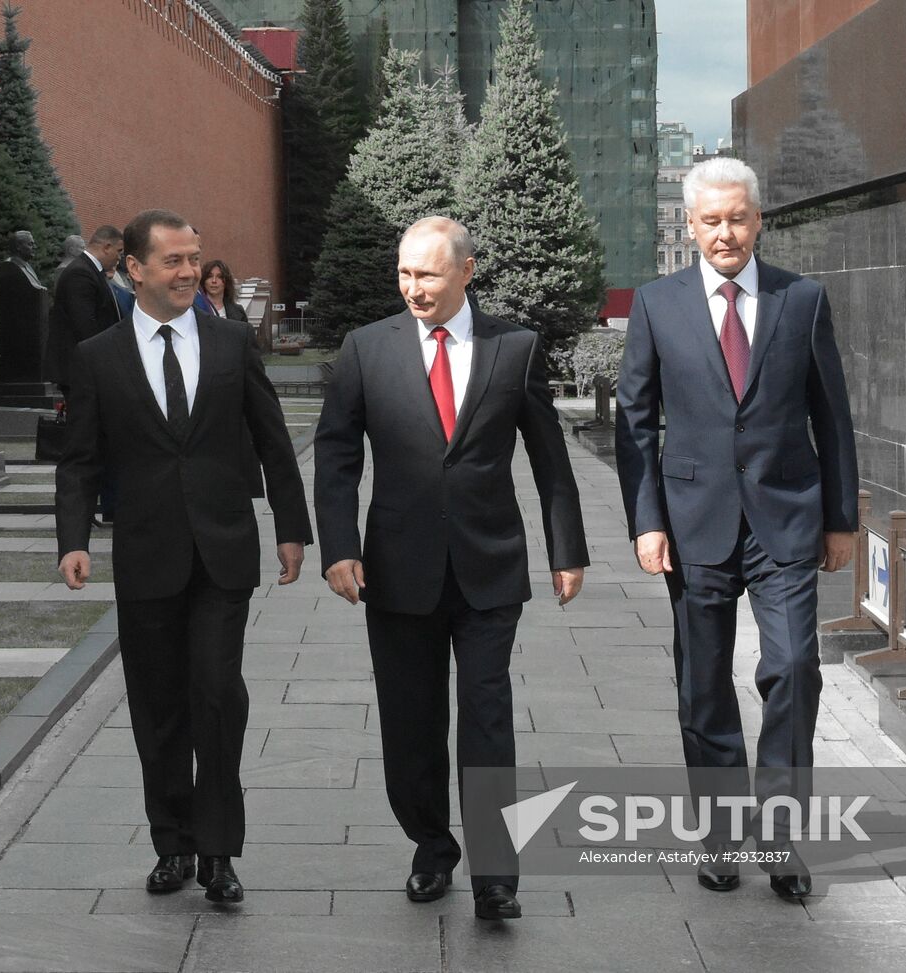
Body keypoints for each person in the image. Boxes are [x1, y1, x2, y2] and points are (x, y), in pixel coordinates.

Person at [314, 216, 589, 921]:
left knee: (488, 715)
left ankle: (497, 874)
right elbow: (337, 454)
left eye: (428, 274)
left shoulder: (514, 348)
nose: (414, 288)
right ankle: (431, 848)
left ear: (467, 271)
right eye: (404, 274)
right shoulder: (366, 350)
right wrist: (338, 544)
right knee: (412, 721)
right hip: (397, 568)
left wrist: (568, 549)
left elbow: (549, 456)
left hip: (489, 565)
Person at [614, 157, 859, 901]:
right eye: (711, 220)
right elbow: (634, 418)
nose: (726, 232)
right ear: (689, 225)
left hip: (786, 517)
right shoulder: (658, 304)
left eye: (738, 218)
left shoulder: (802, 299)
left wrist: (841, 516)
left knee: (792, 669)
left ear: (760, 219)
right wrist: (647, 520)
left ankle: (782, 840)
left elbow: (832, 414)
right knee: (704, 684)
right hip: (694, 525)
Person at [55, 209, 311, 904]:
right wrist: (73, 539)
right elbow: (80, 460)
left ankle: (220, 850)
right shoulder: (98, 356)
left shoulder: (230, 342)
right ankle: (174, 842)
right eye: (172, 260)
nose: (188, 270)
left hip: (223, 552)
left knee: (217, 693)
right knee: (159, 705)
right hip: (146, 555)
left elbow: (271, 436)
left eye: (193, 257)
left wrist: (292, 525)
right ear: (134, 269)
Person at [44, 225, 124, 399]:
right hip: (79, 369)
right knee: (82, 423)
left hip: (84, 367)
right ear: (106, 247)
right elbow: (85, 324)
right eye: (119, 251)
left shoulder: (90, 270)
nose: (120, 257)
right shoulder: (80, 273)